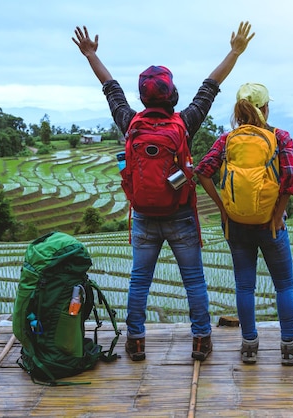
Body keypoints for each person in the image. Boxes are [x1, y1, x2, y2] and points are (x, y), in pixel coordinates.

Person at [73, 22, 255, 362]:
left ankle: (136, 342)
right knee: (194, 282)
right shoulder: (183, 123)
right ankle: (201, 341)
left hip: (143, 214)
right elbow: (210, 87)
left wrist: (91, 54)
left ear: (143, 97)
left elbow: (110, 87)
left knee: (139, 281)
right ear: (172, 96)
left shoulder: (131, 123)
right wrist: (235, 51)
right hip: (180, 213)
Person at [195, 83, 293, 365]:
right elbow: (290, 180)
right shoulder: (280, 137)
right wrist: (278, 215)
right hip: (270, 224)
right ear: (265, 108)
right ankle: (289, 346)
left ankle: (249, 346)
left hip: (236, 225)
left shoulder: (228, 139)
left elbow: (203, 172)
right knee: (284, 286)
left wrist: (223, 209)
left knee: (245, 287)